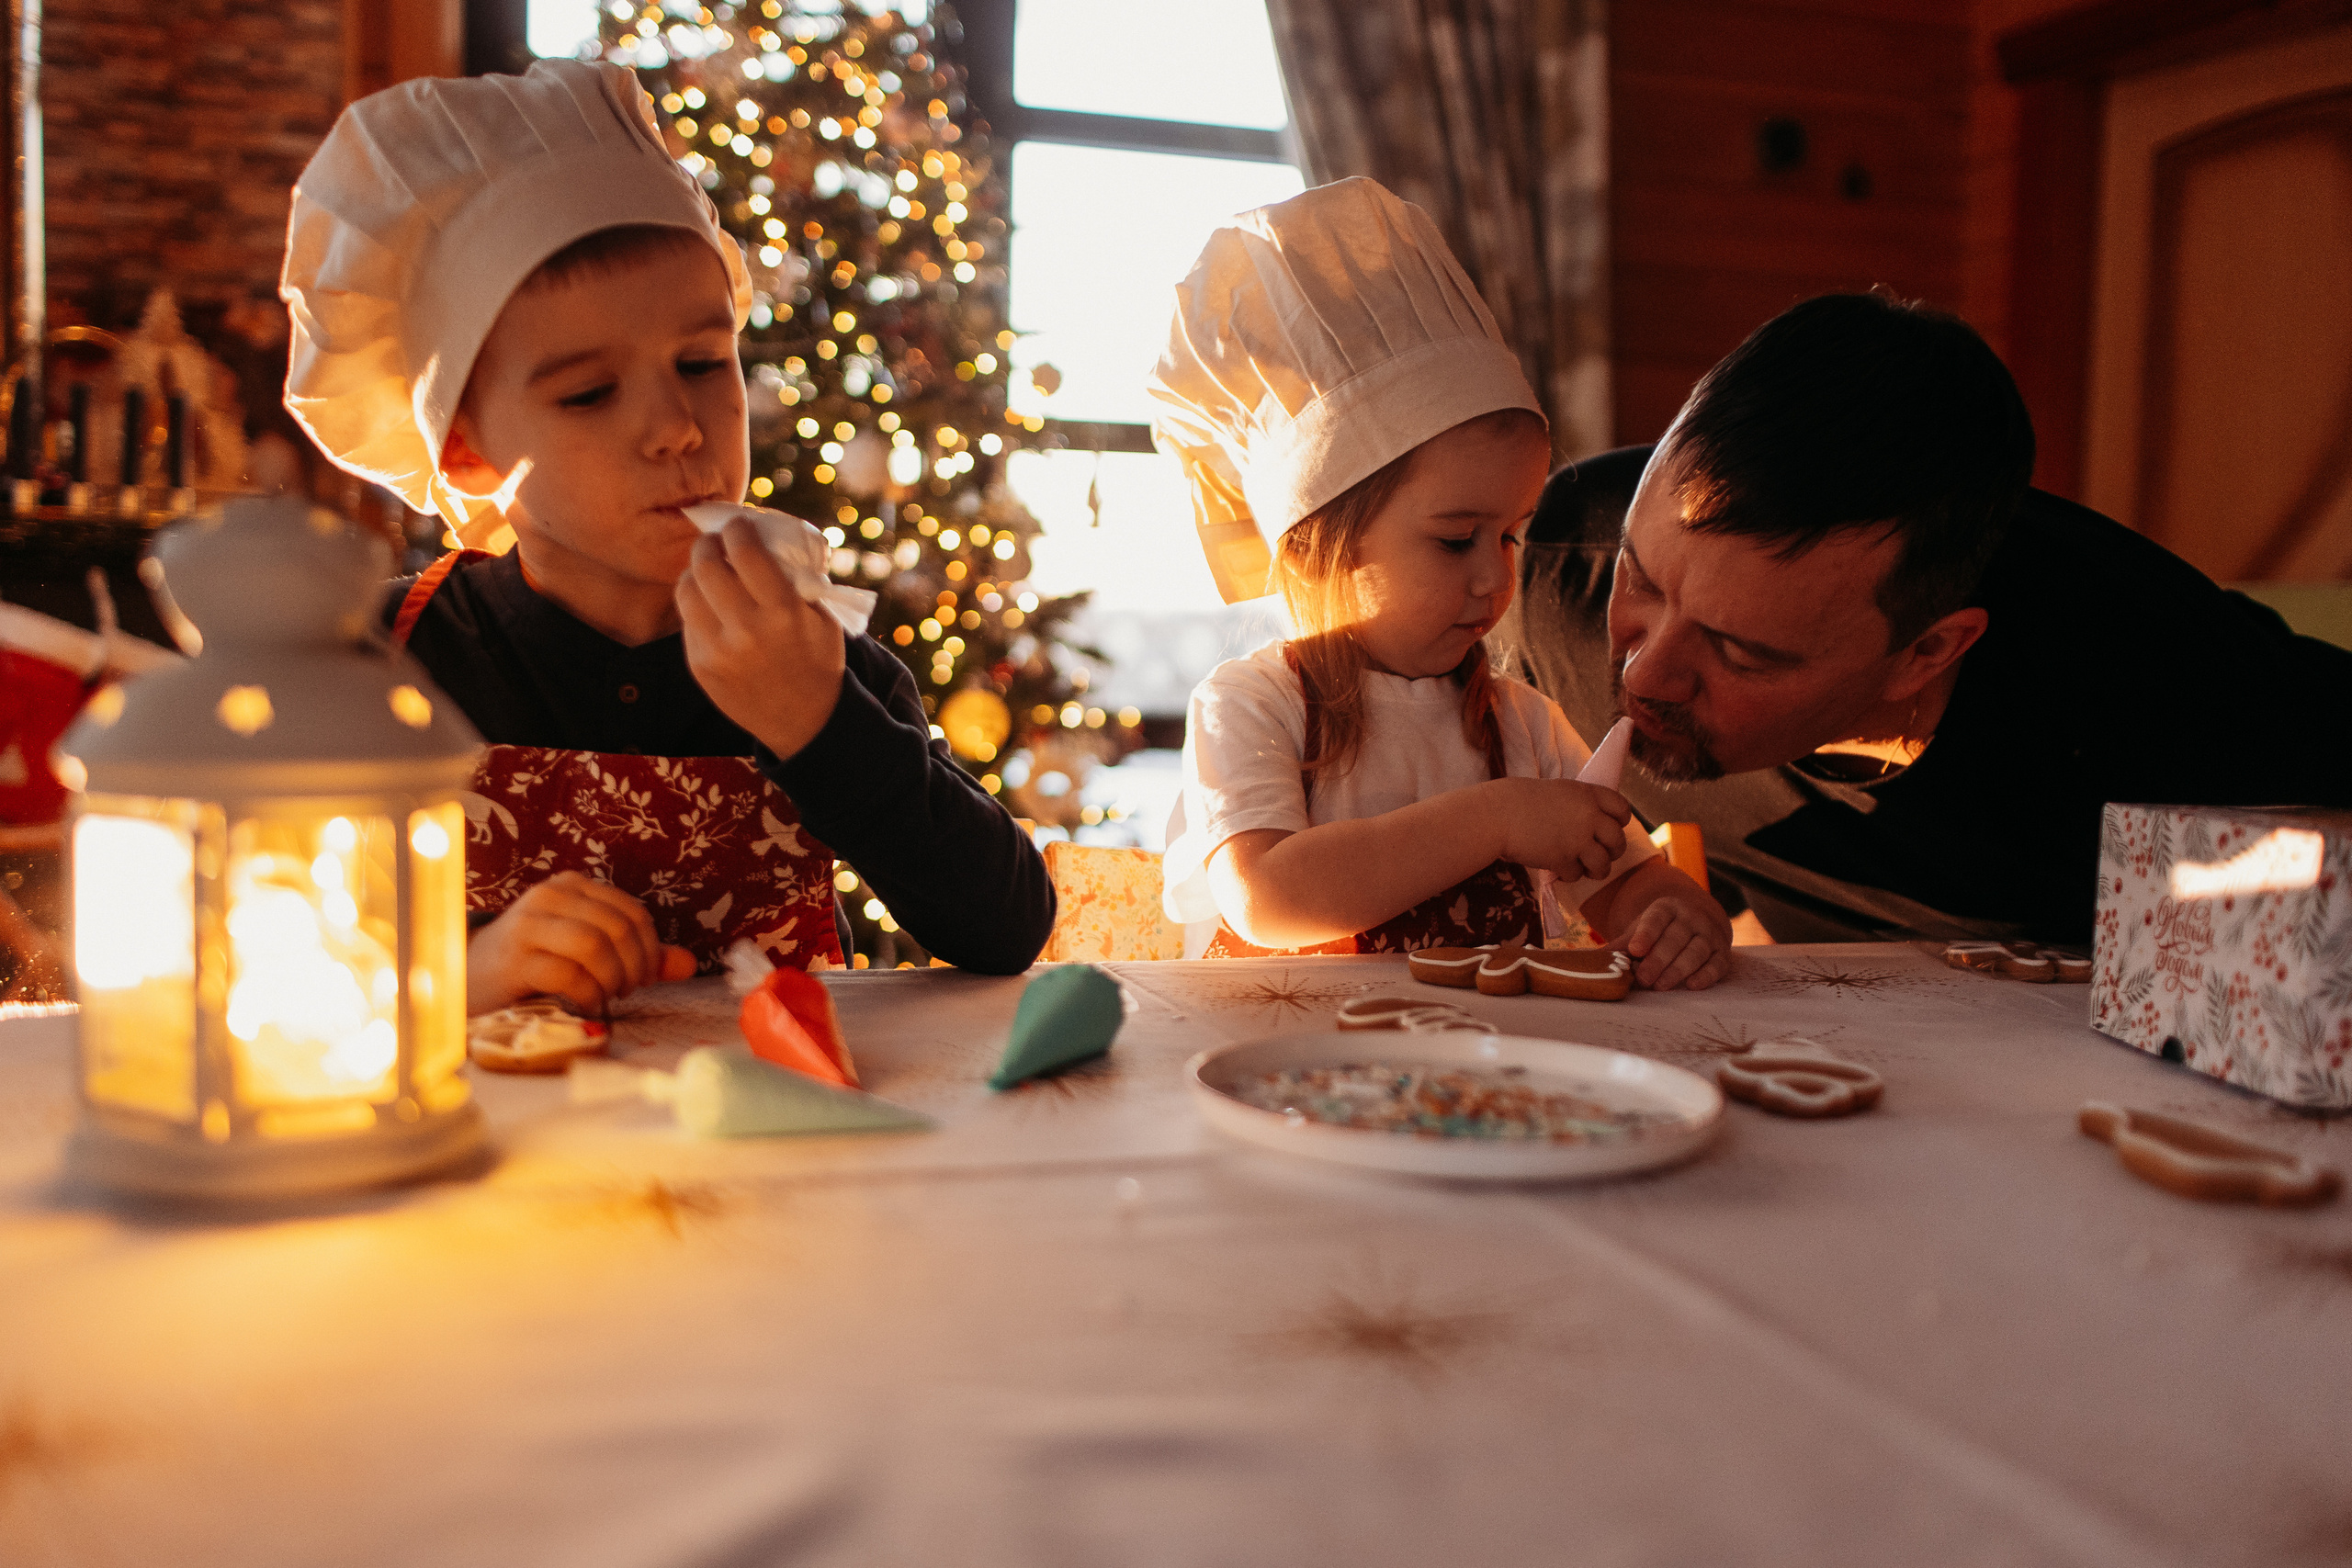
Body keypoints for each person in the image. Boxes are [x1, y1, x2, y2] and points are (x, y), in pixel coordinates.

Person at [280, 61, 1053, 1014]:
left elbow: (1006, 926)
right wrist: (467, 973)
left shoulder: (814, 655)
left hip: (779, 1137)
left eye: (701, 362)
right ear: (468, 452)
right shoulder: (382, 659)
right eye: (589, 392)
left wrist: (818, 720)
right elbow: (276, 956)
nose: (677, 427)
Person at [1495, 291, 2352, 945]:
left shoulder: (2153, 685)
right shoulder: (1563, 569)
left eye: (1739, 651)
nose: (1645, 675)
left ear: (1928, 651)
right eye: (1642, 584)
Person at [1150, 178, 1731, 991]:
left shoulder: (1522, 722)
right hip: (1294, 1078)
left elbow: (1621, 879)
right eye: (1457, 539)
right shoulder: (1252, 705)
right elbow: (1268, 896)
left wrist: (1673, 912)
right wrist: (1496, 819)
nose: (1496, 576)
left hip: (1481, 1083)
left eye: (1511, 534)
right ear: (1324, 545)